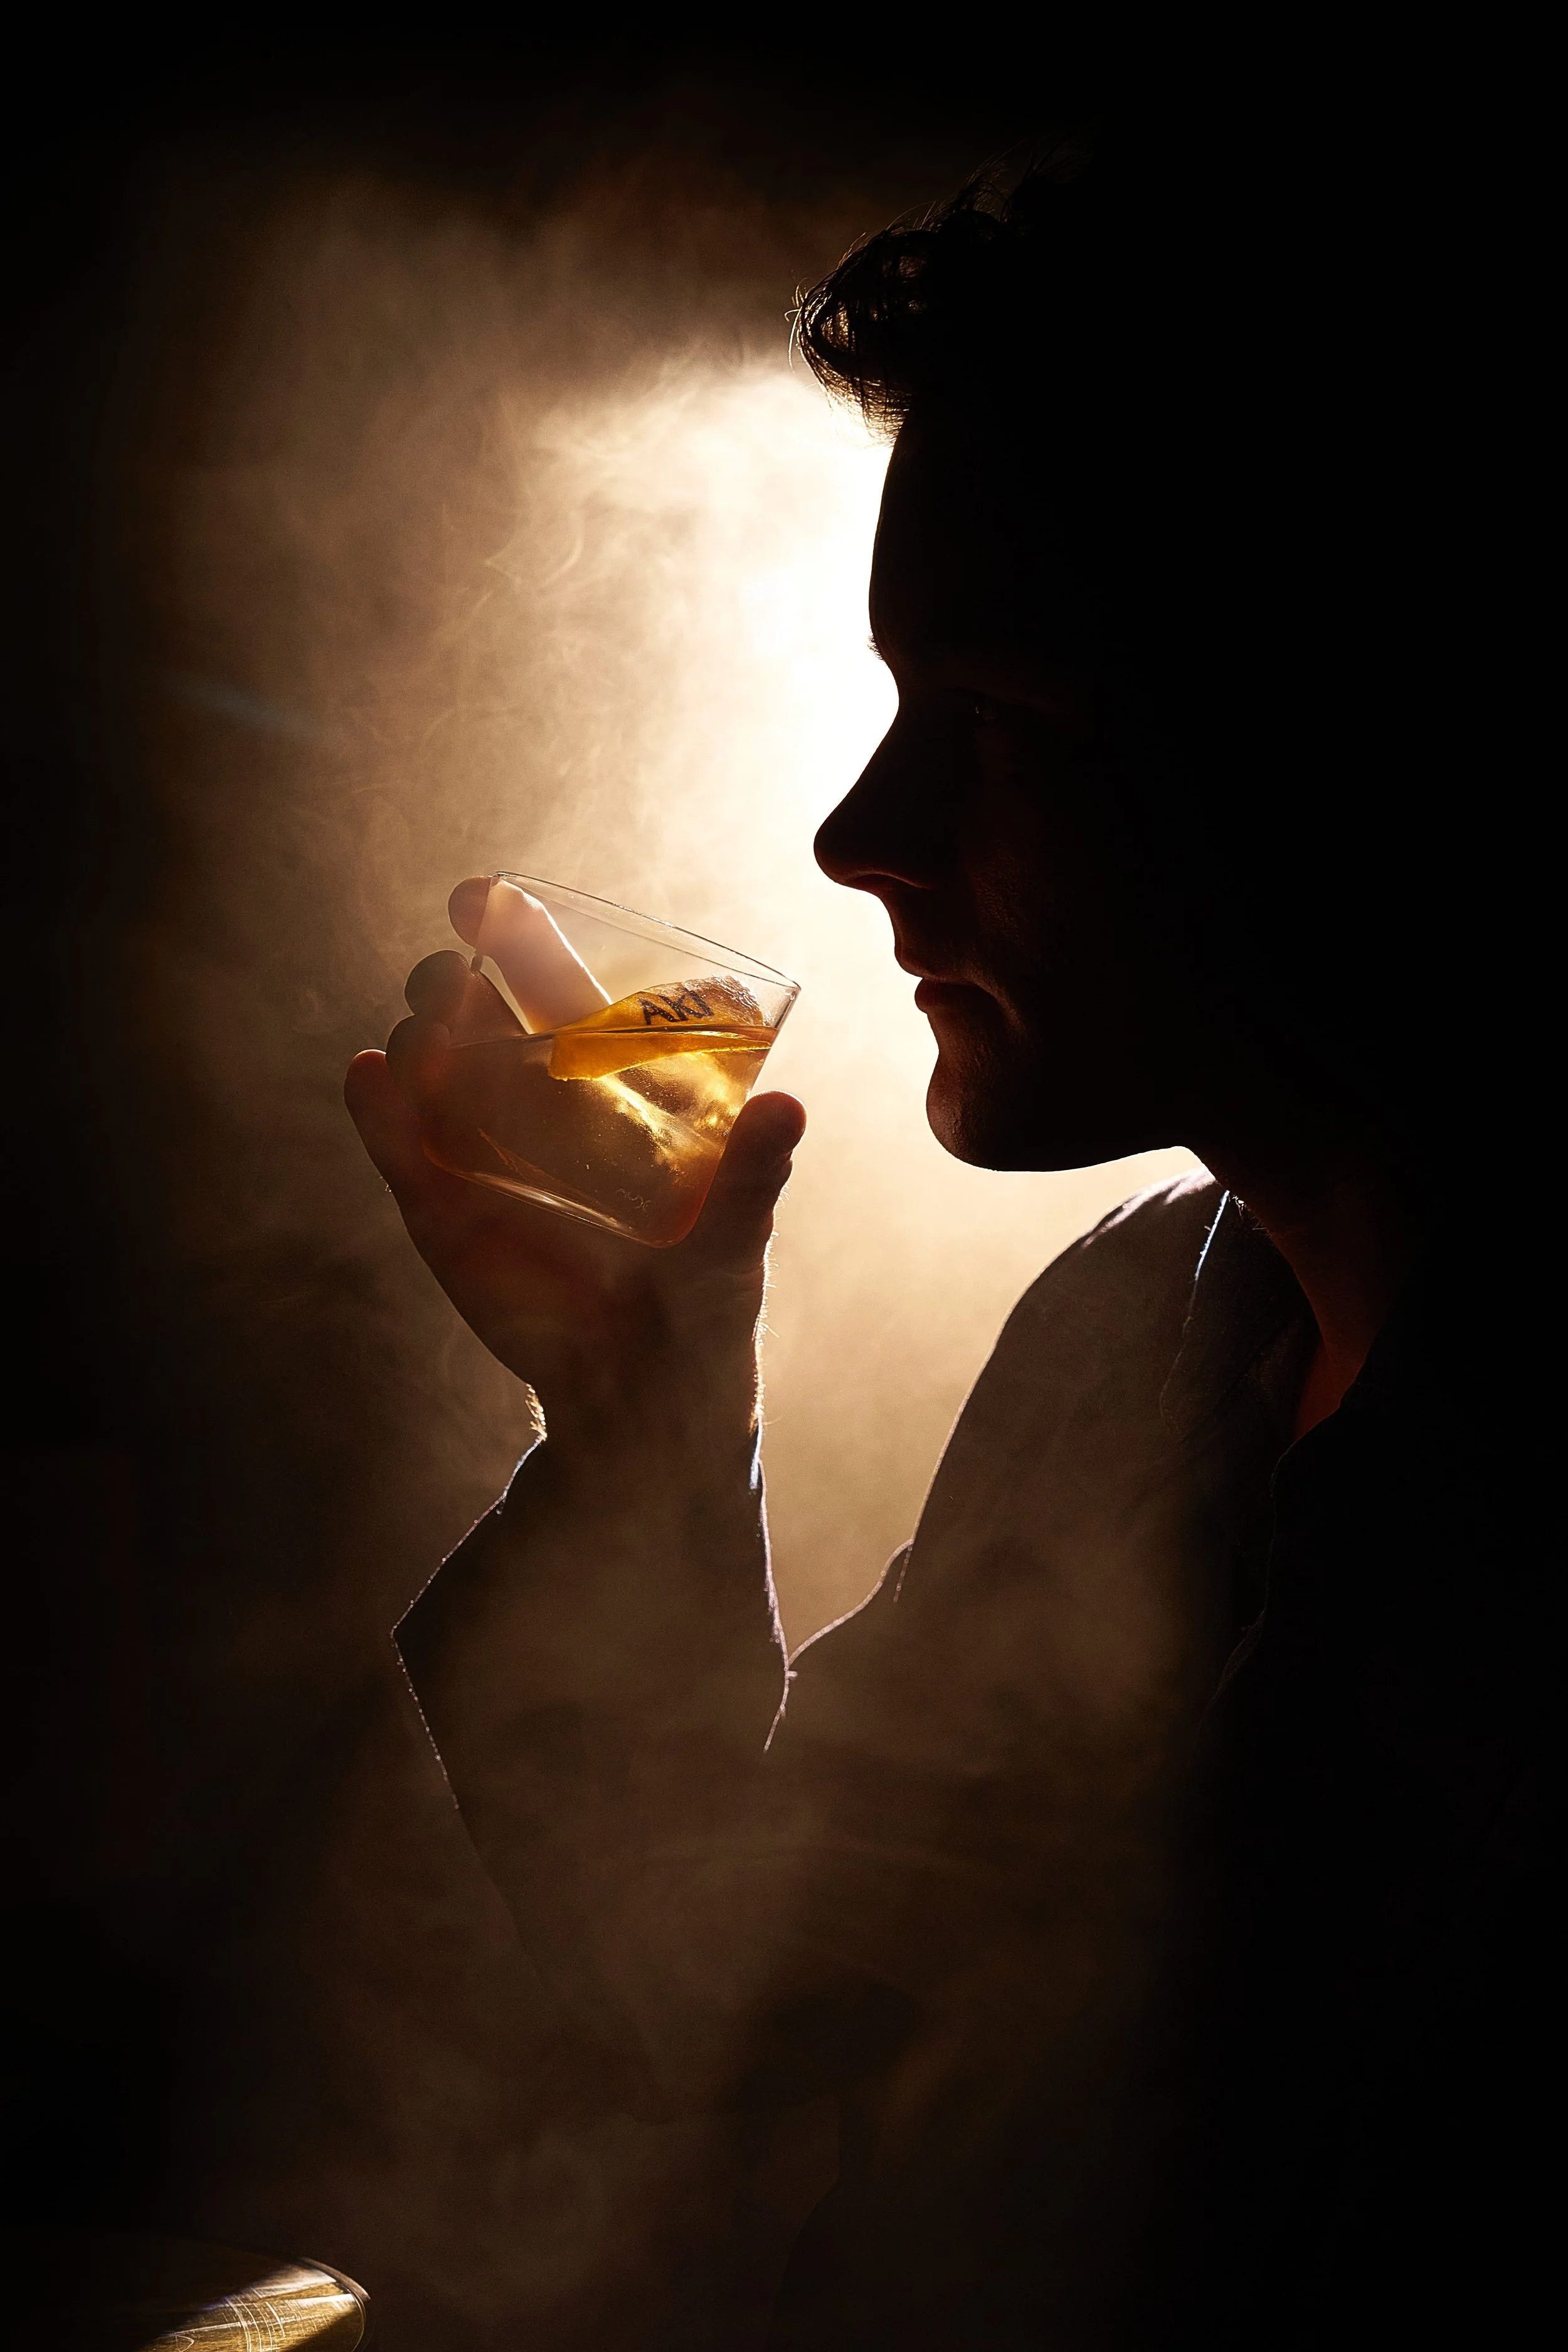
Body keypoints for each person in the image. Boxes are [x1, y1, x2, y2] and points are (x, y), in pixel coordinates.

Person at [346, 123, 1556, 2347]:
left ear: (1354, 720)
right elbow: (762, 2052)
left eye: (988, 713)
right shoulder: (1136, 1341)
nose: (855, 831)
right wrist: (637, 1421)